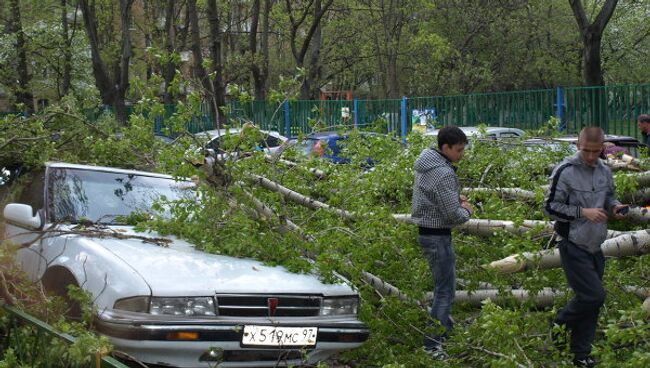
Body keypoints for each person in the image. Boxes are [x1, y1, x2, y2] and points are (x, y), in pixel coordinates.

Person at [543, 127, 628, 367]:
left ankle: (581, 354)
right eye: (586, 151)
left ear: (602, 147)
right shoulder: (565, 171)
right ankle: (559, 325)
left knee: (591, 302)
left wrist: (615, 207)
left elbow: (610, 197)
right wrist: (583, 212)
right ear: (578, 146)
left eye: (595, 151)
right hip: (572, 244)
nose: (590, 156)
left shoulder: (604, 171)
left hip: (595, 245)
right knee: (594, 295)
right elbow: (549, 207)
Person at [411, 125, 473, 359]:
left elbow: (432, 196)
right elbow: (453, 216)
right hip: (438, 236)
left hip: (426, 232)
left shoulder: (426, 164)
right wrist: (466, 210)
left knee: (442, 289)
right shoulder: (443, 172)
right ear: (445, 147)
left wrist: (453, 199)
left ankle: (446, 331)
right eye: (458, 150)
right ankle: (432, 345)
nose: (461, 154)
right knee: (445, 292)